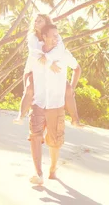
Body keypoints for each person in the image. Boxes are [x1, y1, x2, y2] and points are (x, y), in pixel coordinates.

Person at [27, 23, 80, 185]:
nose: (57, 38)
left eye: (58, 35)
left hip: (56, 104)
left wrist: (71, 88)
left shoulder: (63, 54)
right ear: (44, 37)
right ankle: (38, 173)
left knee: (55, 141)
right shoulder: (36, 54)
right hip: (38, 103)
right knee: (35, 137)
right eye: (54, 35)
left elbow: (77, 68)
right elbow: (27, 73)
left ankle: (52, 169)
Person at [13, 14, 81, 126]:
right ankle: (20, 116)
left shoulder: (55, 37)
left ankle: (75, 119)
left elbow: (60, 50)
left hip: (51, 74)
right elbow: (34, 53)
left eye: (40, 21)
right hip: (37, 69)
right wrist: (49, 62)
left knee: (68, 89)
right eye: (35, 20)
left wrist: (49, 60)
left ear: (47, 23)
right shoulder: (32, 37)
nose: (36, 23)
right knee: (29, 88)